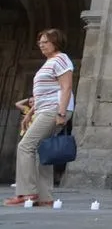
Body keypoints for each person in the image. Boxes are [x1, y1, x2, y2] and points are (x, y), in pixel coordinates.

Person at [4, 29, 74, 207]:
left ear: (55, 42)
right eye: (40, 42)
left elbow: (66, 88)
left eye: (45, 42)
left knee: (25, 146)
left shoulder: (61, 59)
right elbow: (44, 92)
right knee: (40, 150)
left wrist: (61, 113)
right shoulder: (49, 62)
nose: (41, 45)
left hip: (54, 110)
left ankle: (27, 193)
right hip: (45, 109)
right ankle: (45, 197)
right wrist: (30, 113)